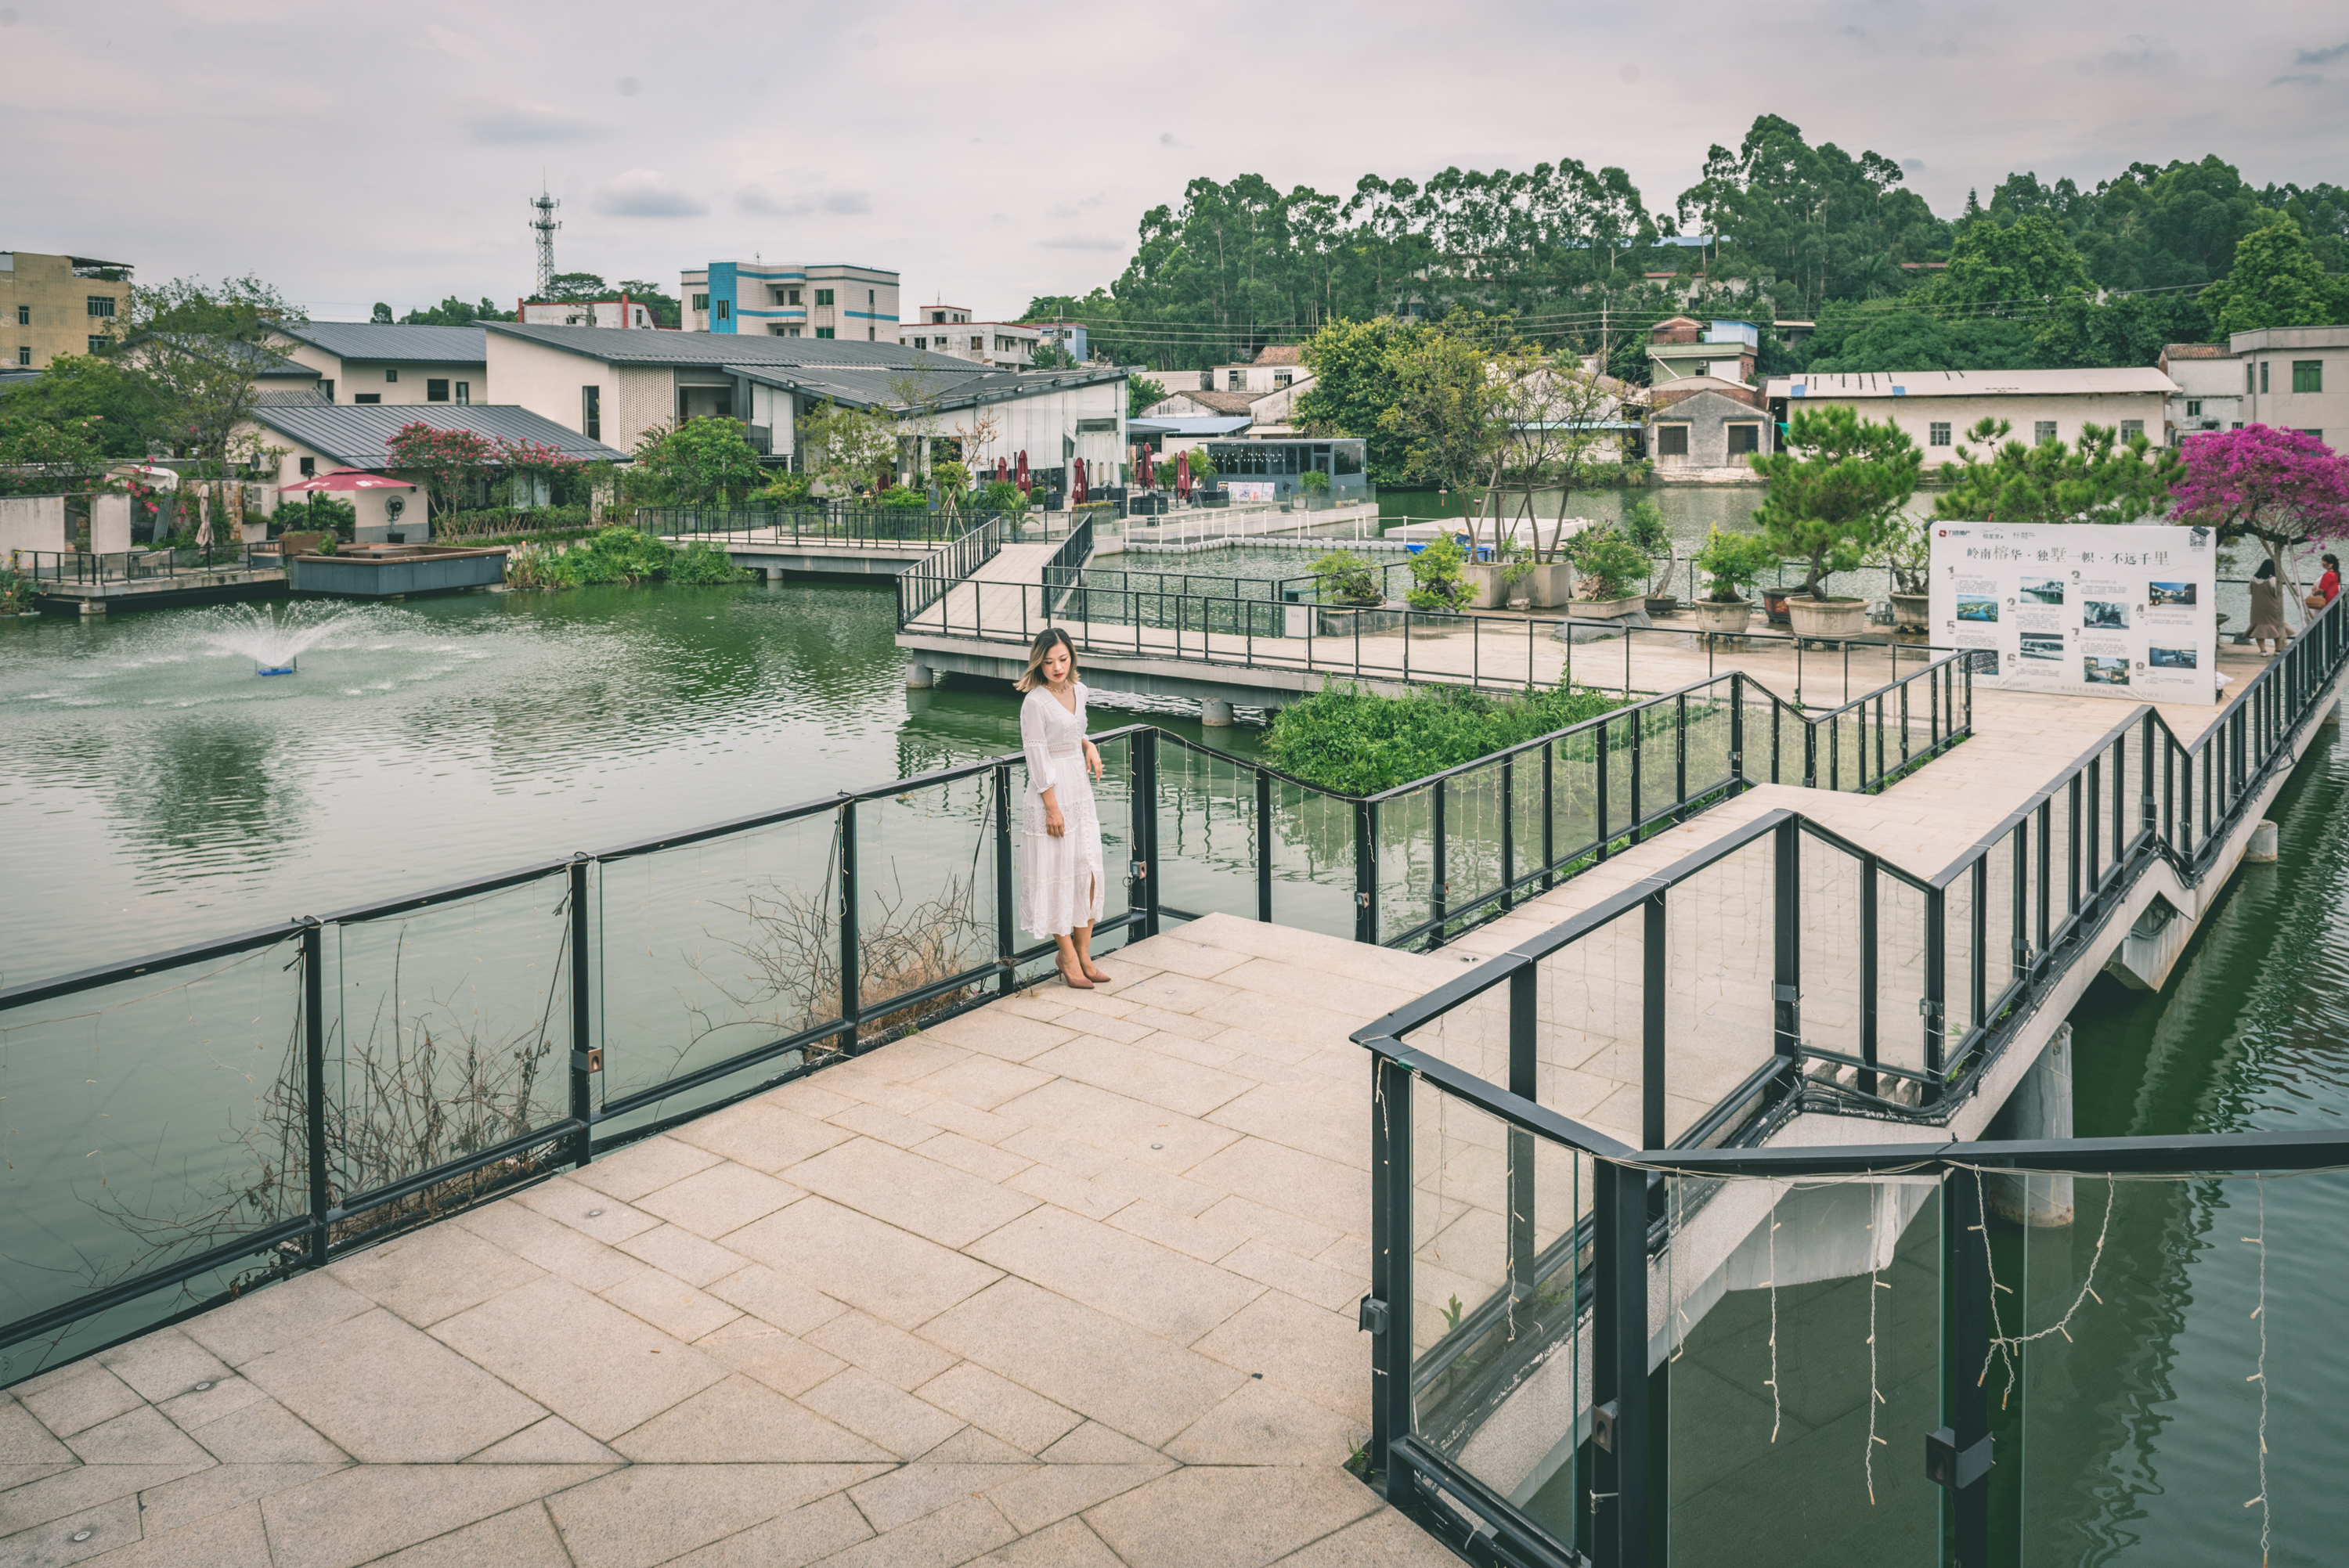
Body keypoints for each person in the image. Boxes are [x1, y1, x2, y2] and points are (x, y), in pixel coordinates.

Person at [1016, 628, 1110, 989]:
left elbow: (1072, 728)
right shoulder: (1034, 702)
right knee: (1057, 876)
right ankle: (1067, 955)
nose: (1057, 667)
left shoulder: (1079, 691)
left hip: (1080, 791)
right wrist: (1052, 809)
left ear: (1072, 656)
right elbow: (1036, 755)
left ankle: (1084, 953)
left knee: (1087, 872)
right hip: (1051, 795)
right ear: (1039, 662)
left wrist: (1089, 744)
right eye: (1049, 661)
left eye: (1063, 659)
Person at [2246, 557, 2287, 655]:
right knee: (2276, 627)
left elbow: (2249, 591)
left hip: (2256, 607)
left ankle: (2263, 651)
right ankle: (2277, 650)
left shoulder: (2252, 579)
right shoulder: (2273, 579)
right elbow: (2281, 593)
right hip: (2272, 607)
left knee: (2258, 628)